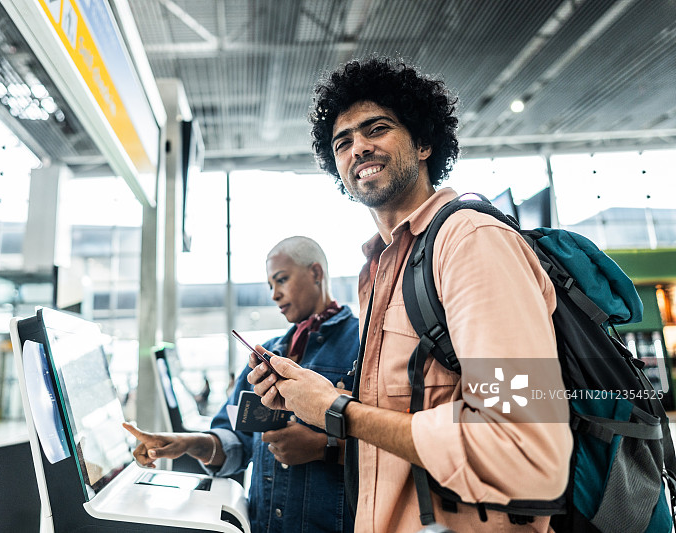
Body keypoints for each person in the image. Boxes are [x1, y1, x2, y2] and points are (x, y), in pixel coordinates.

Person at [247, 56, 573, 532]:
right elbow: (407, 414)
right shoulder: (382, 269)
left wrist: (338, 411)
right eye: (343, 142)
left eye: (376, 129)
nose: (358, 147)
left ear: (423, 142)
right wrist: (311, 394)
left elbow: (525, 449)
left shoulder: (470, 243)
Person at [124, 236, 359, 533]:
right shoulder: (269, 354)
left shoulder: (363, 346)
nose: (274, 294)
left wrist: (324, 448)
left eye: (281, 280)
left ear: (315, 273)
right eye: (270, 286)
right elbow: (236, 443)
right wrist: (187, 443)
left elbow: (389, 444)